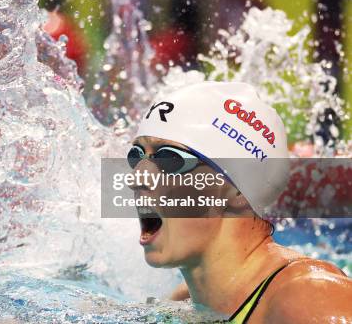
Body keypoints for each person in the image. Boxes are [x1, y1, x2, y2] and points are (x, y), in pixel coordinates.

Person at [128, 81, 351, 323]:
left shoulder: (310, 298)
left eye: (171, 159)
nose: (135, 177)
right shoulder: (190, 302)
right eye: (136, 156)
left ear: (238, 191)